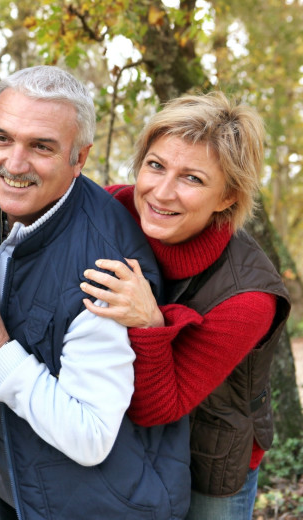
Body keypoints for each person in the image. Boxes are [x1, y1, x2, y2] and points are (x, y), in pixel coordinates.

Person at [0, 65, 190, 519]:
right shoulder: (0, 207)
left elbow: (90, 436)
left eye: (41, 147)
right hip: (27, 497)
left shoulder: (103, 273)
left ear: (80, 158)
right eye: (2, 139)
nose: (14, 164)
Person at [79, 92, 291, 520]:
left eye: (192, 179)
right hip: (127, 443)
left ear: (227, 197)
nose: (162, 191)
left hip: (209, 453)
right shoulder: (113, 207)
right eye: (155, 165)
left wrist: (149, 322)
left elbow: (160, 406)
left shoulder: (249, 296)